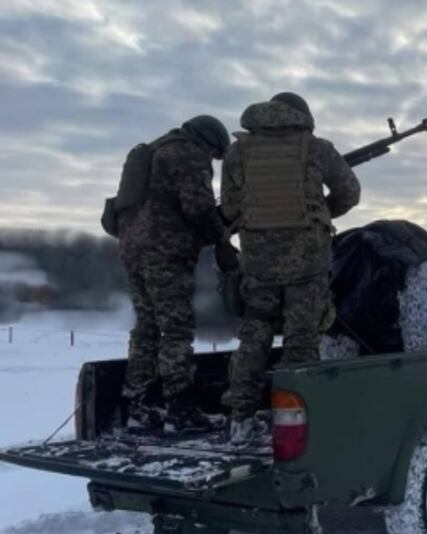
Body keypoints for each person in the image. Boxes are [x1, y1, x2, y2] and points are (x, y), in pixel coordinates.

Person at [221, 92, 360, 440]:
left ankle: (241, 418)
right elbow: (350, 192)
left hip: (256, 260)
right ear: (303, 117)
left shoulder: (238, 152)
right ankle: (290, 422)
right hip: (307, 260)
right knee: (301, 339)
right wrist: (320, 212)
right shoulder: (317, 147)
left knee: (255, 334)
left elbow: (230, 206)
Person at [118, 115, 230, 435]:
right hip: (165, 254)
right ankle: (179, 411)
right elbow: (198, 208)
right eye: (214, 154)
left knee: (147, 329)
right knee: (176, 330)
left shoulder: (151, 152)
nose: (211, 160)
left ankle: (138, 407)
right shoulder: (188, 153)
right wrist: (221, 237)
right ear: (207, 142)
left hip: (132, 252)